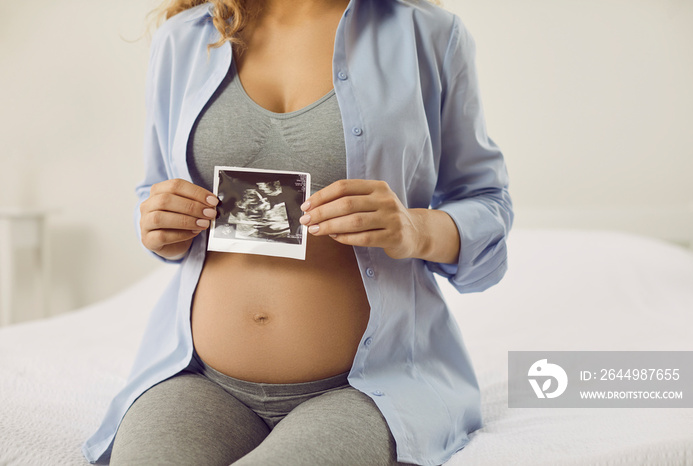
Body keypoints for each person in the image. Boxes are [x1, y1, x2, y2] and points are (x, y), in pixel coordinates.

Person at [82, 0, 513, 464]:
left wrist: (416, 228)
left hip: (365, 391)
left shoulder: (428, 34)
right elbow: (153, 189)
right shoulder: (184, 38)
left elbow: (487, 202)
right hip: (200, 380)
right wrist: (157, 222)